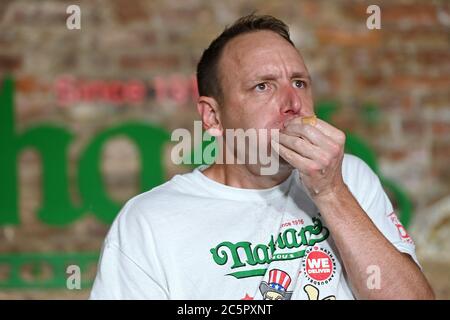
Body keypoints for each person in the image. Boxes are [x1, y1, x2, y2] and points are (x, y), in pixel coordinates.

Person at [90, 14, 434, 300]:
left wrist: (331, 193)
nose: (292, 103)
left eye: (299, 83)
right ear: (212, 117)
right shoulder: (148, 222)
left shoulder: (350, 178)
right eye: (262, 86)